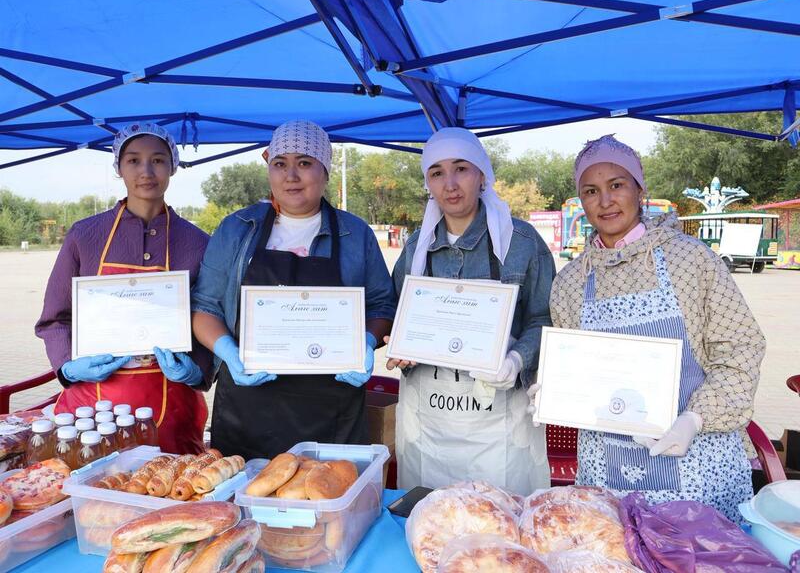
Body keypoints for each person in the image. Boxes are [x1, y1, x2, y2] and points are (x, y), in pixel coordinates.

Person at [545, 134, 765, 521]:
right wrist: (553, 388)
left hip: (699, 466)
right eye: (591, 190)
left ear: (639, 189)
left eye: (617, 185)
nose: (606, 201)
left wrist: (693, 420)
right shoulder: (570, 284)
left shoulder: (692, 261)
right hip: (608, 472)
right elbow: (577, 373)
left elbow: (740, 349)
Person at [191, 120, 395, 460]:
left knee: (330, 507)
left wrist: (368, 342)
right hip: (248, 411)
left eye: (304, 163)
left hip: (333, 411)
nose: (291, 176)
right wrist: (228, 352)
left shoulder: (355, 234)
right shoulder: (237, 229)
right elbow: (206, 307)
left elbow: (381, 305)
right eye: (280, 164)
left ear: (325, 171)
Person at [387, 127, 554, 495]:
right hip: (429, 420)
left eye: (461, 168)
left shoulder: (522, 243)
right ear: (428, 183)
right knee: (430, 525)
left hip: (499, 423)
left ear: (482, 175)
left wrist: (516, 359)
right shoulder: (416, 247)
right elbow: (400, 315)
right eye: (437, 173)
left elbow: (545, 317)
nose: (450, 183)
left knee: (501, 528)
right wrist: (402, 348)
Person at [35, 123, 212, 454]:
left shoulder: (198, 243)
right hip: (93, 411)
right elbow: (54, 319)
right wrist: (69, 366)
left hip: (173, 408)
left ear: (173, 166)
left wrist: (196, 369)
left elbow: (210, 317)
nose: (146, 171)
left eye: (158, 160)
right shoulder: (85, 236)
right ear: (118, 167)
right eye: (133, 160)